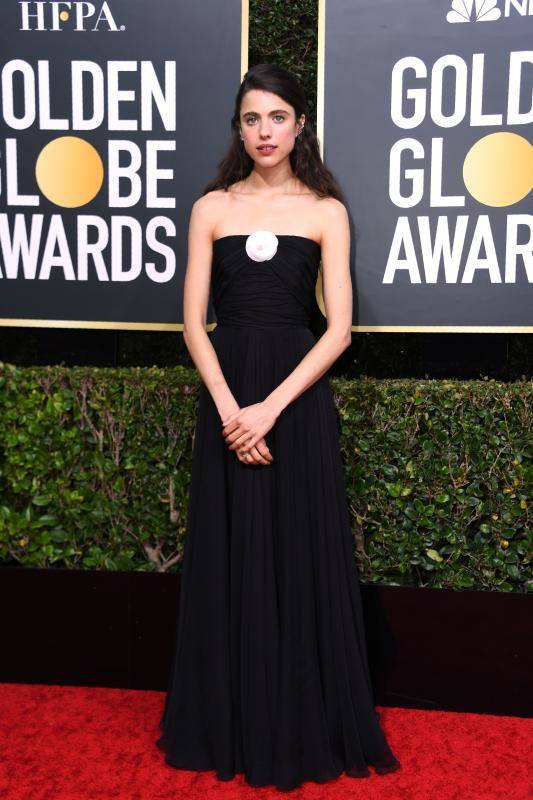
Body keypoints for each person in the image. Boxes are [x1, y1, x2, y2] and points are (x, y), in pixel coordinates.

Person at [156, 62, 401, 790]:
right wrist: (233, 409)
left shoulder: (325, 210)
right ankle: (228, 715)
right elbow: (193, 325)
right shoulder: (211, 207)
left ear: (301, 124)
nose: (264, 131)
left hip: (293, 403)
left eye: (277, 117)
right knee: (232, 550)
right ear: (238, 128)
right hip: (227, 397)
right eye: (251, 119)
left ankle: (299, 715)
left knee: (295, 550)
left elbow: (339, 331)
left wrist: (268, 408)